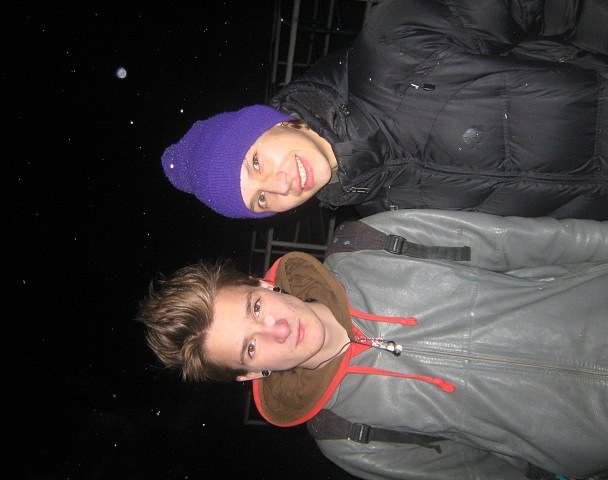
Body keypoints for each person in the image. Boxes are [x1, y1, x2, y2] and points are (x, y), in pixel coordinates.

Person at [137, 209, 608, 479]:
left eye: (255, 308)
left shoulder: (369, 243)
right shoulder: (347, 437)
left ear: (262, 283)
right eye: (251, 348)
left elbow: (526, 241)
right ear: (250, 374)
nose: (277, 330)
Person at [161, 0, 608, 221]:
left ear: (270, 124)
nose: (279, 186)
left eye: (256, 163)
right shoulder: (382, 213)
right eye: (261, 201)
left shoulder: (396, 45)